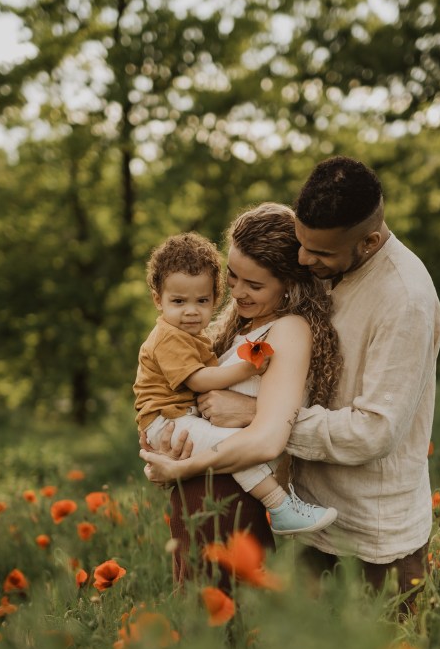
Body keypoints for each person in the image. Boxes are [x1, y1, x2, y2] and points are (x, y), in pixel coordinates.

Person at [188, 157, 440, 603]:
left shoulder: (405, 301)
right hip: (307, 522)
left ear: (369, 241)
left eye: (320, 253)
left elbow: (373, 431)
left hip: (373, 541)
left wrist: (261, 415)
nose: (304, 259)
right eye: (302, 243)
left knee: (377, 648)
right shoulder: (323, 267)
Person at [135, 219, 340, 548]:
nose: (238, 292)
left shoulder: (286, 329)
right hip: (204, 500)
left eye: (254, 285)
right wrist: (170, 461)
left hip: (229, 501)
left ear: (288, 282)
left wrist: (180, 469)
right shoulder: (234, 329)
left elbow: (265, 441)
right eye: (233, 277)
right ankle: (282, 508)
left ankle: (282, 507)